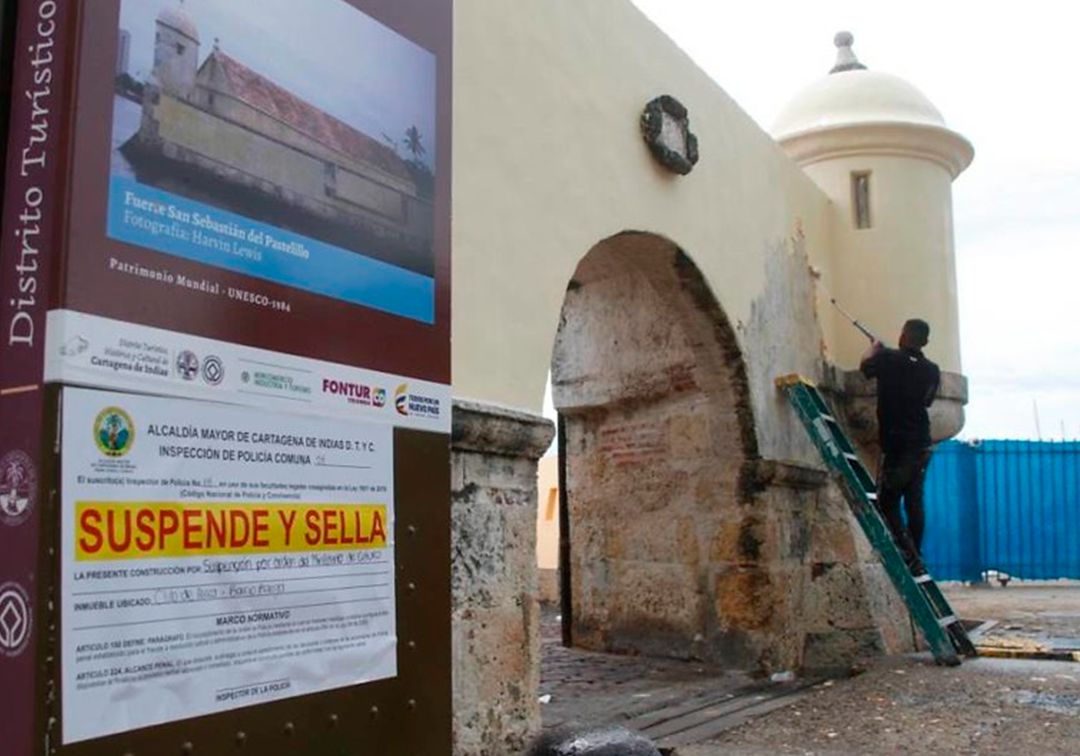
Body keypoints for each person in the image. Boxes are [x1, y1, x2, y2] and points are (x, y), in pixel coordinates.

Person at [860, 318, 940, 571]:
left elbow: (865, 368)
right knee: (914, 501)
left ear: (902, 336)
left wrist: (874, 348)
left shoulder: (888, 358)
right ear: (925, 341)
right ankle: (917, 554)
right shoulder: (932, 369)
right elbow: (927, 401)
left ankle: (910, 555)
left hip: (897, 445)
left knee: (887, 502)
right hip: (922, 443)